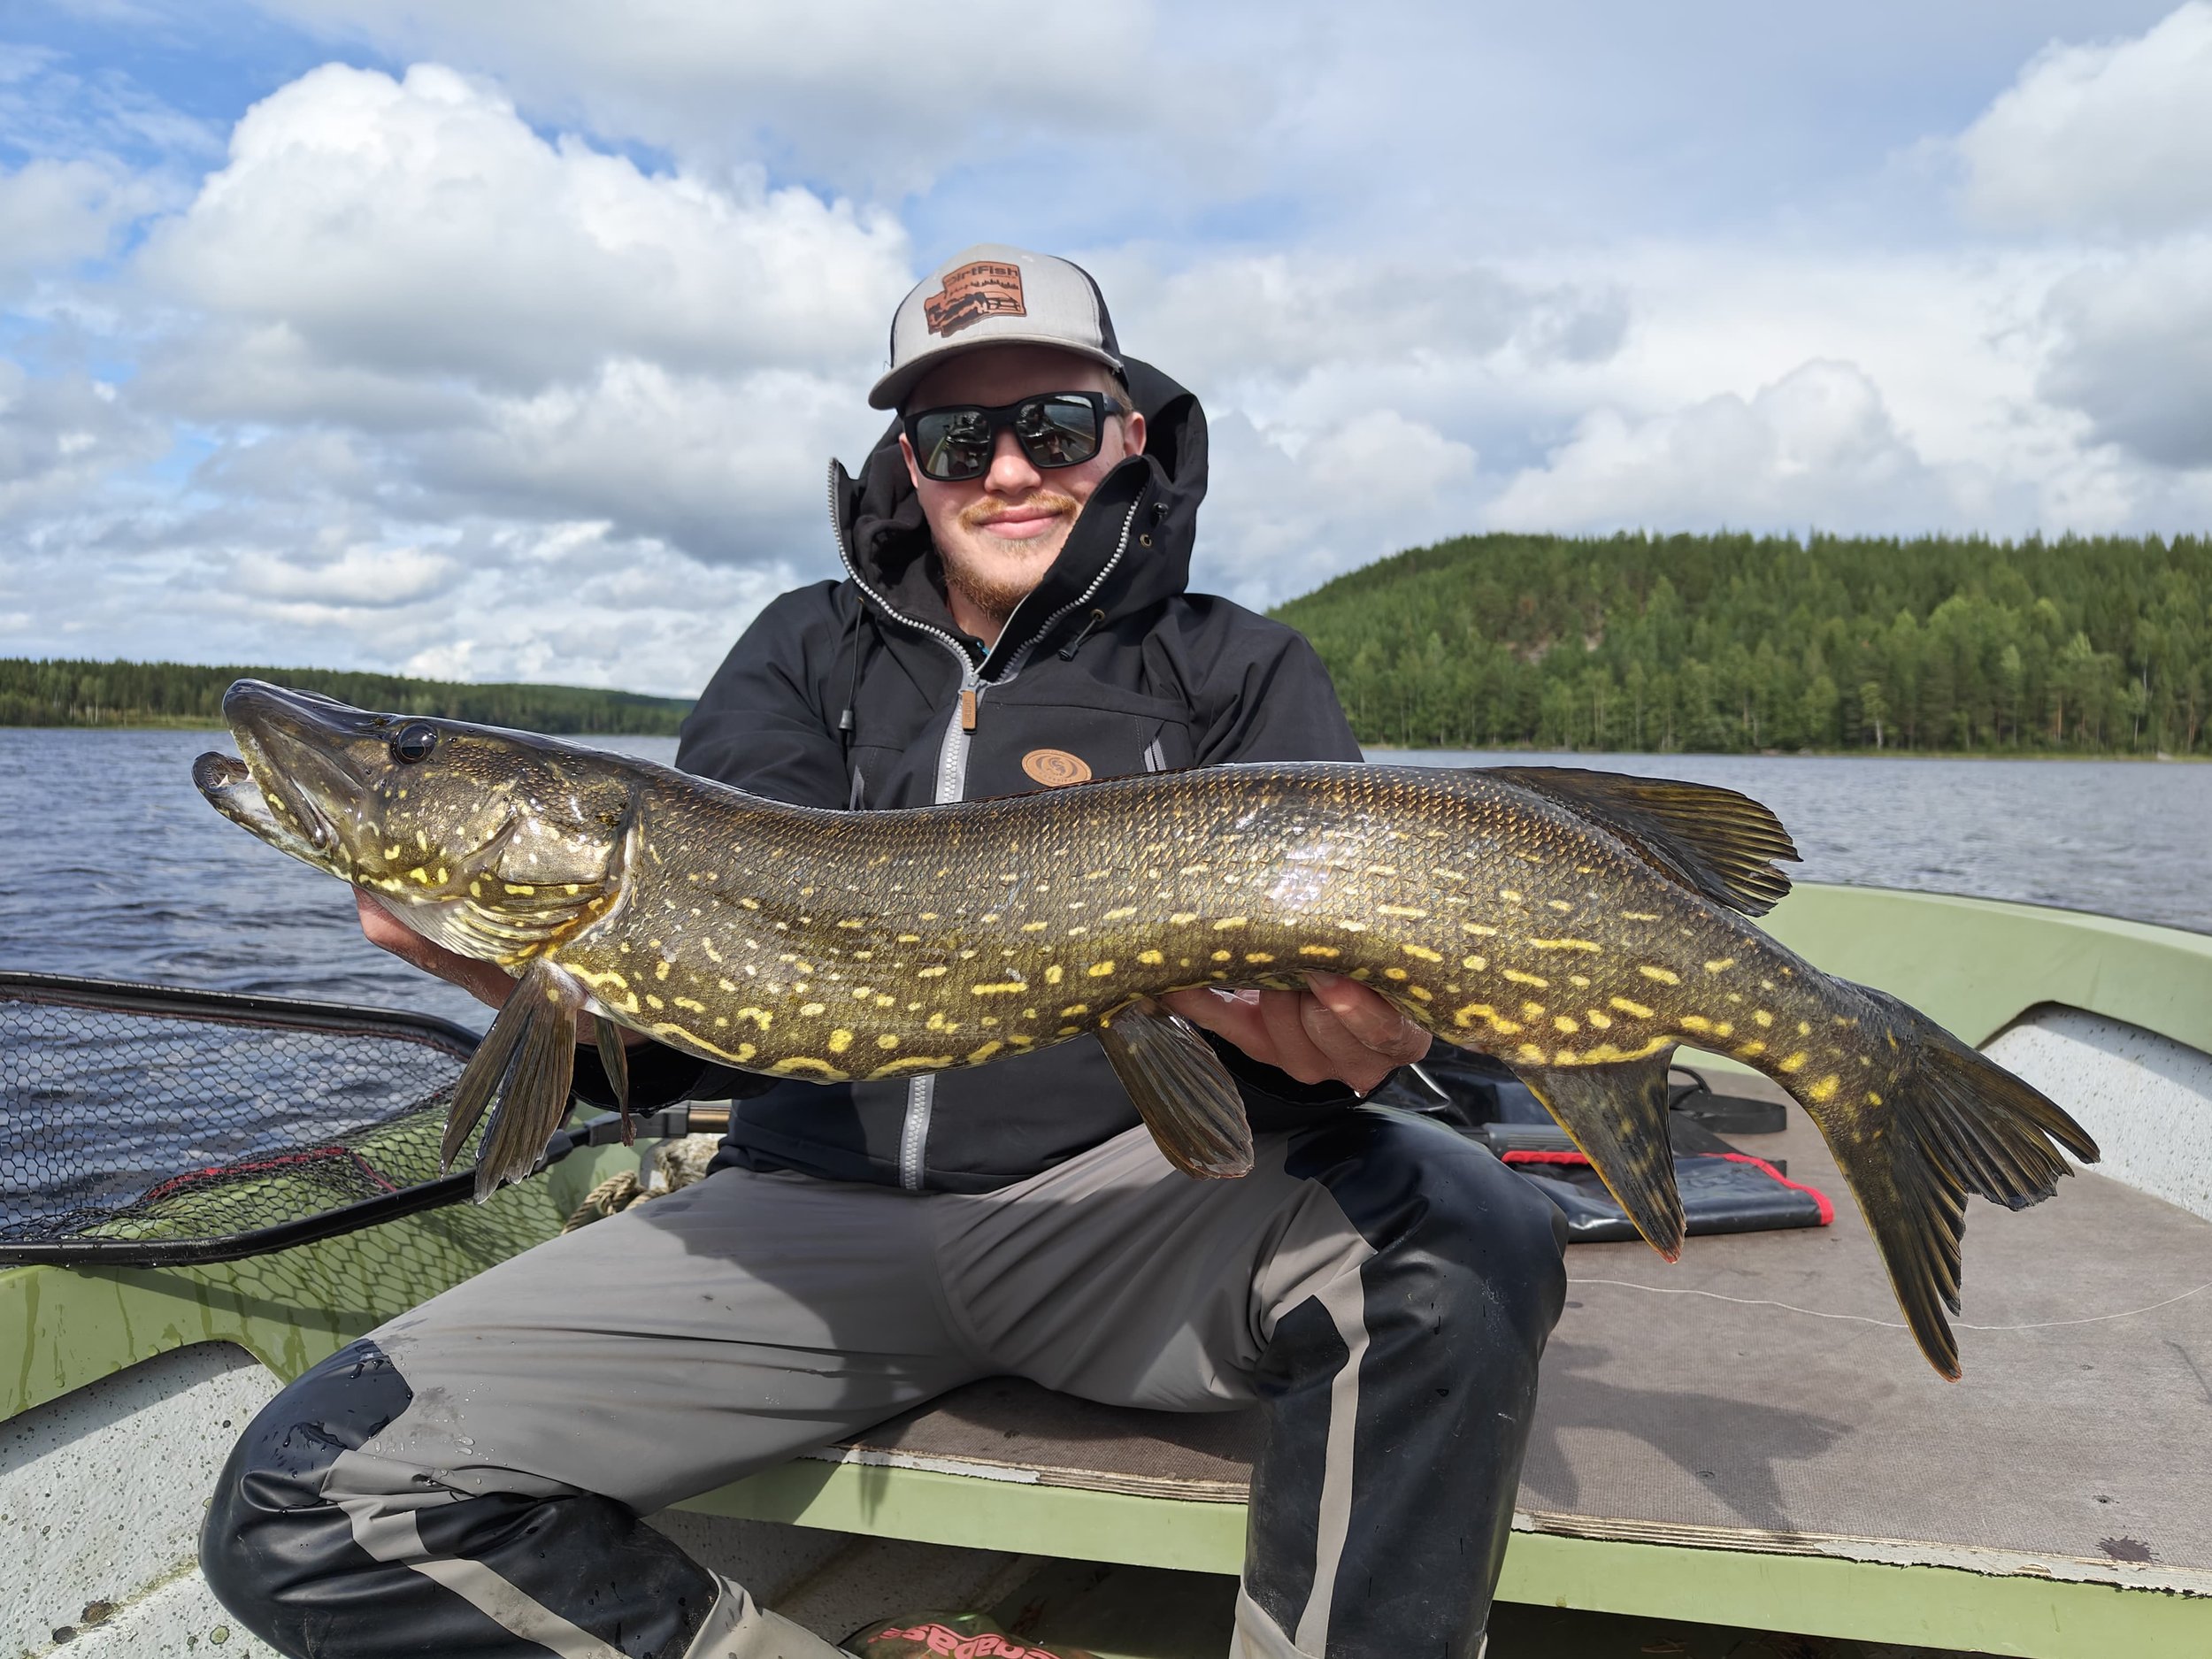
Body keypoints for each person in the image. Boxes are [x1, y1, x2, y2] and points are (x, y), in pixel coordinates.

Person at [201, 244, 1568, 1659]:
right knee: (306, 1497)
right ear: (906, 461)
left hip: (1132, 1218)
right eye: (957, 437)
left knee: (1468, 1232)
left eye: (1055, 427)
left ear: (1131, 436)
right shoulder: (799, 655)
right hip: (805, 1221)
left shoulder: (1239, 670)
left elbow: (1336, 1005)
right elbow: (700, 1026)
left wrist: (1356, 1052)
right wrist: (546, 989)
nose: (1010, 471)